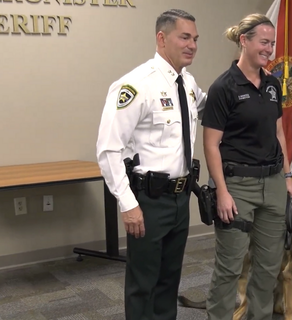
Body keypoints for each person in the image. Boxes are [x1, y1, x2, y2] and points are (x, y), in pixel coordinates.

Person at [96, 9, 206, 320]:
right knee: (143, 284)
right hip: (148, 201)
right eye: (184, 37)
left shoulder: (187, 83)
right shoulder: (135, 85)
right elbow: (108, 150)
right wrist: (127, 204)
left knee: (169, 281)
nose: (192, 45)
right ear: (162, 38)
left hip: (181, 197)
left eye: (195, 39)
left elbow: (209, 106)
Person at [200, 13, 292, 320]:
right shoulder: (223, 87)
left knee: (268, 267)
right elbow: (211, 144)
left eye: (272, 43)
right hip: (237, 186)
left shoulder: (272, 84)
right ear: (244, 41)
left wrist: (288, 176)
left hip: (273, 184)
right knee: (229, 268)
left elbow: (279, 133)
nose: (269, 49)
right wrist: (223, 192)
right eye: (263, 42)